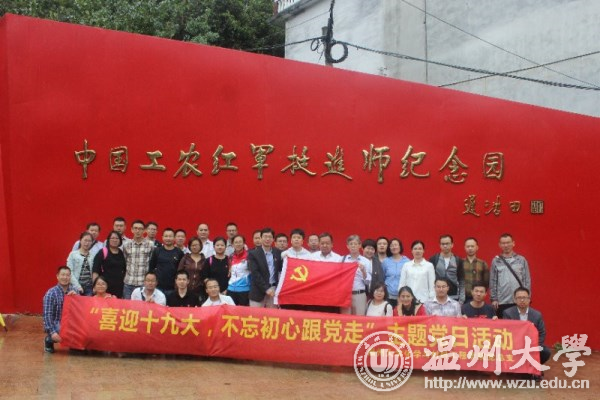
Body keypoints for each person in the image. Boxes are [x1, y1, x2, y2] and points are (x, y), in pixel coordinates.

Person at [503, 287, 551, 365]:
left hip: (532, 345)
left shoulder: (537, 315)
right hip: (514, 345)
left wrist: (533, 346)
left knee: (546, 352)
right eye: (519, 298)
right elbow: (506, 332)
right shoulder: (508, 313)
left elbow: (542, 333)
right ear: (514, 300)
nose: (522, 300)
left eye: (524, 298)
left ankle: (534, 366)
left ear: (529, 299)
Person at [490, 233, 531, 318]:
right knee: (503, 324)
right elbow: (493, 281)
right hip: (502, 301)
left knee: (519, 324)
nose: (506, 245)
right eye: (503, 243)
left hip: (519, 300)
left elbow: (526, 280)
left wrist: (527, 297)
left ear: (513, 243)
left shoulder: (521, 260)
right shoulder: (496, 261)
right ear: (499, 245)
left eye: (508, 242)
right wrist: (494, 299)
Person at [43, 266, 78, 353]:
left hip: (71, 322)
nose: (65, 277)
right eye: (63, 275)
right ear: (57, 276)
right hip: (57, 322)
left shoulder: (75, 290)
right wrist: (52, 332)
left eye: (67, 275)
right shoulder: (51, 293)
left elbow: (81, 310)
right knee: (63, 331)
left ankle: (74, 343)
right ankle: (49, 340)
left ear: (70, 277)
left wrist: (77, 298)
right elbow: (47, 315)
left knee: (83, 331)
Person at [275, 228, 311, 308]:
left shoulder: (309, 255)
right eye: (294, 237)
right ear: (291, 240)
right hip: (287, 289)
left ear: (302, 241)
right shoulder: (284, 254)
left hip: (302, 288)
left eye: (299, 238)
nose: (296, 240)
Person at [248, 228, 283, 308]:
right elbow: (255, 273)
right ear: (261, 238)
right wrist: (266, 289)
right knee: (255, 315)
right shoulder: (253, 254)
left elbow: (281, 270)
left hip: (273, 290)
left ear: (273, 239)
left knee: (273, 315)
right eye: (265, 236)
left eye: (270, 237)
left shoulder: (278, 252)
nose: (267, 239)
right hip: (257, 291)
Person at [123, 220, 155, 299]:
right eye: (135, 228)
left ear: (144, 230)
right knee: (127, 305)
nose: (138, 231)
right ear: (132, 230)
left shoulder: (150, 245)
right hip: (128, 283)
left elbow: (152, 262)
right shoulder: (126, 244)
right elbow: (124, 261)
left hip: (143, 284)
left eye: (140, 229)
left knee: (143, 306)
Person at [429, 234, 465, 304]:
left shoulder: (458, 260)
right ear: (440, 245)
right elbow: (430, 280)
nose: (445, 246)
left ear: (452, 245)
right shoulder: (434, 259)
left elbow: (461, 280)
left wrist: (462, 299)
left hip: (454, 297)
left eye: (447, 243)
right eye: (443, 244)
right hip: (438, 297)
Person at [341, 235, 372, 315]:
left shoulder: (366, 261)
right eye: (351, 244)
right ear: (347, 246)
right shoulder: (342, 260)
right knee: (345, 318)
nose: (353, 246)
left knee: (359, 319)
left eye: (355, 244)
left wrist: (363, 271)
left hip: (359, 294)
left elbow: (368, 282)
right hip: (345, 294)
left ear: (359, 245)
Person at [150, 228, 185, 296]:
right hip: (158, 287)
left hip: (172, 288)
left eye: (170, 236)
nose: (168, 238)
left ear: (174, 238)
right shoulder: (157, 251)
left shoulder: (179, 252)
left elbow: (181, 270)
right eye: (166, 236)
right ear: (162, 237)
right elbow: (151, 267)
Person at [92, 230, 126, 298]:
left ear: (120, 240)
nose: (115, 240)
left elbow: (124, 269)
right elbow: (95, 270)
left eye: (117, 238)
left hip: (118, 286)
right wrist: (95, 286)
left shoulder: (121, 252)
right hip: (104, 286)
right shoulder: (103, 252)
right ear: (108, 240)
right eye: (112, 238)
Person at [382, 238, 409, 307]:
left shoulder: (407, 261)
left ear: (400, 247)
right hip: (388, 295)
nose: (394, 247)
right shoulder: (386, 261)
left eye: (396, 245)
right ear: (389, 248)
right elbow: (382, 277)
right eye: (391, 245)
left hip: (403, 295)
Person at [177, 236, 205, 301]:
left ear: (200, 246)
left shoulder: (204, 260)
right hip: (185, 289)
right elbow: (179, 273)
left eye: (196, 245)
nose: (194, 247)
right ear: (189, 247)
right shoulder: (185, 258)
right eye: (192, 245)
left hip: (199, 290)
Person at [463, 237, 490, 302]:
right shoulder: (460, 263)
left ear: (477, 247)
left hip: (478, 297)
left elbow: (486, 282)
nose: (470, 248)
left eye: (472, 246)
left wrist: (480, 293)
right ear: (465, 248)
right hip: (463, 298)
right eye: (468, 246)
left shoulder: (483, 264)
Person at [227, 235, 251, 306]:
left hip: (244, 290)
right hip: (231, 289)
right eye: (236, 242)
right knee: (231, 311)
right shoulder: (231, 256)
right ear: (232, 244)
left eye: (240, 242)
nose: (238, 244)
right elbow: (230, 272)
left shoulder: (249, 256)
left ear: (244, 243)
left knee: (244, 311)